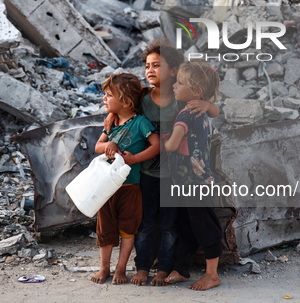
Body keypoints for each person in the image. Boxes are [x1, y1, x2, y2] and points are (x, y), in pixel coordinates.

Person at [105, 40, 219, 287]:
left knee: (172, 223)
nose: (150, 70)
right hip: (145, 173)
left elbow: (213, 112)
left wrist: (209, 105)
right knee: (145, 221)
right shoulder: (142, 97)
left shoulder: (183, 100)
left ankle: (167, 266)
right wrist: (113, 114)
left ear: (175, 71)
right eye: (147, 65)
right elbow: (122, 108)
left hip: (174, 176)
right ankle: (144, 266)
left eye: (157, 65)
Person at [92, 73, 160, 285]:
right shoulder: (110, 123)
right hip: (107, 188)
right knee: (105, 230)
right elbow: (97, 147)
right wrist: (108, 145)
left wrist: (134, 159)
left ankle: (120, 269)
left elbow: (157, 145)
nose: (104, 98)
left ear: (126, 102)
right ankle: (104, 268)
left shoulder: (140, 123)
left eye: (109, 95)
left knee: (128, 230)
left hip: (131, 187)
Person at [164, 60, 223, 291]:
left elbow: (172, 146)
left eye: (179, 83)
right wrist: (208, 104)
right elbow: (216, 110)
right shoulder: (201, 111)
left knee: (204, 226)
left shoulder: (186, 116)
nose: (175, 86)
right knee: (188, 226)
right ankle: (182, 268)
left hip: (193, 182)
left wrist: (164, 141)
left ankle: (212, 275)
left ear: (196, 91)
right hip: (192, 181)